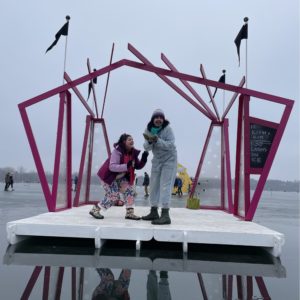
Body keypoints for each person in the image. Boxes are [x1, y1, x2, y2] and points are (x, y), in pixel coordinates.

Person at [89, 133, 149, 220]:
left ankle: (129, 213)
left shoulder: (132, 153)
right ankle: (95, 209)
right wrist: (126, 166)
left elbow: (137, 166)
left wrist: (144, 159)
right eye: (129, 139)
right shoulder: (117, 151)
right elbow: (112, 167)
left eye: (132, 139)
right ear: (124, 142)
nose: (132, 141)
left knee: (129, 191)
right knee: (113, 196)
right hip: (108, 176)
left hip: (121, 177)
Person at [142, 109, 177, 225]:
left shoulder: (168, 129)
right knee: (153, 186)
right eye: (156, 117)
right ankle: (153, 211)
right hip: (157, 160)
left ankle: (165, 215)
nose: (158, 119)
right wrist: (150, 142)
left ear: (163, 119)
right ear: (152, 119)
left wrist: (158, 140)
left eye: (161, 117)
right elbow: (146, 147)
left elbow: (171, 145)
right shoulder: (148, 130)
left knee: (165, 186)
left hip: (169, 160)